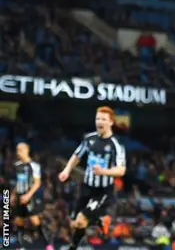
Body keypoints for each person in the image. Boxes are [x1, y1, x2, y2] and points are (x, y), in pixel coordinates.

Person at [58, 106, 127, 250]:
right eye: (97, 118)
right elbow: (77, 155)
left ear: (111, 122)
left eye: (103, 119)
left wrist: (104, 172)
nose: (99, 122)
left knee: (82, 218)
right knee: (76, 223)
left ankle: (73, 247)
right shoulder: (89, 138)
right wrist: (67, 170)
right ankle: (100, 220)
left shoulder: (116, 144)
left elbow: (121, 170)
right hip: (86, 187)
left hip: (102, 190)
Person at [11, 142, 53, 250]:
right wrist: (13, 194)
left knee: (35, 221)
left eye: (20, 150)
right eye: (17, 150)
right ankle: (21, 246)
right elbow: (19, 182)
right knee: (18, 220)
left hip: (29, 196)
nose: (18, 152)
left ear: (26, 150)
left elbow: (37, 182)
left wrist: (28, 195)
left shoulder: (34, 165)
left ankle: (47, 244)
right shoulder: (18, 165)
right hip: (20, 196)